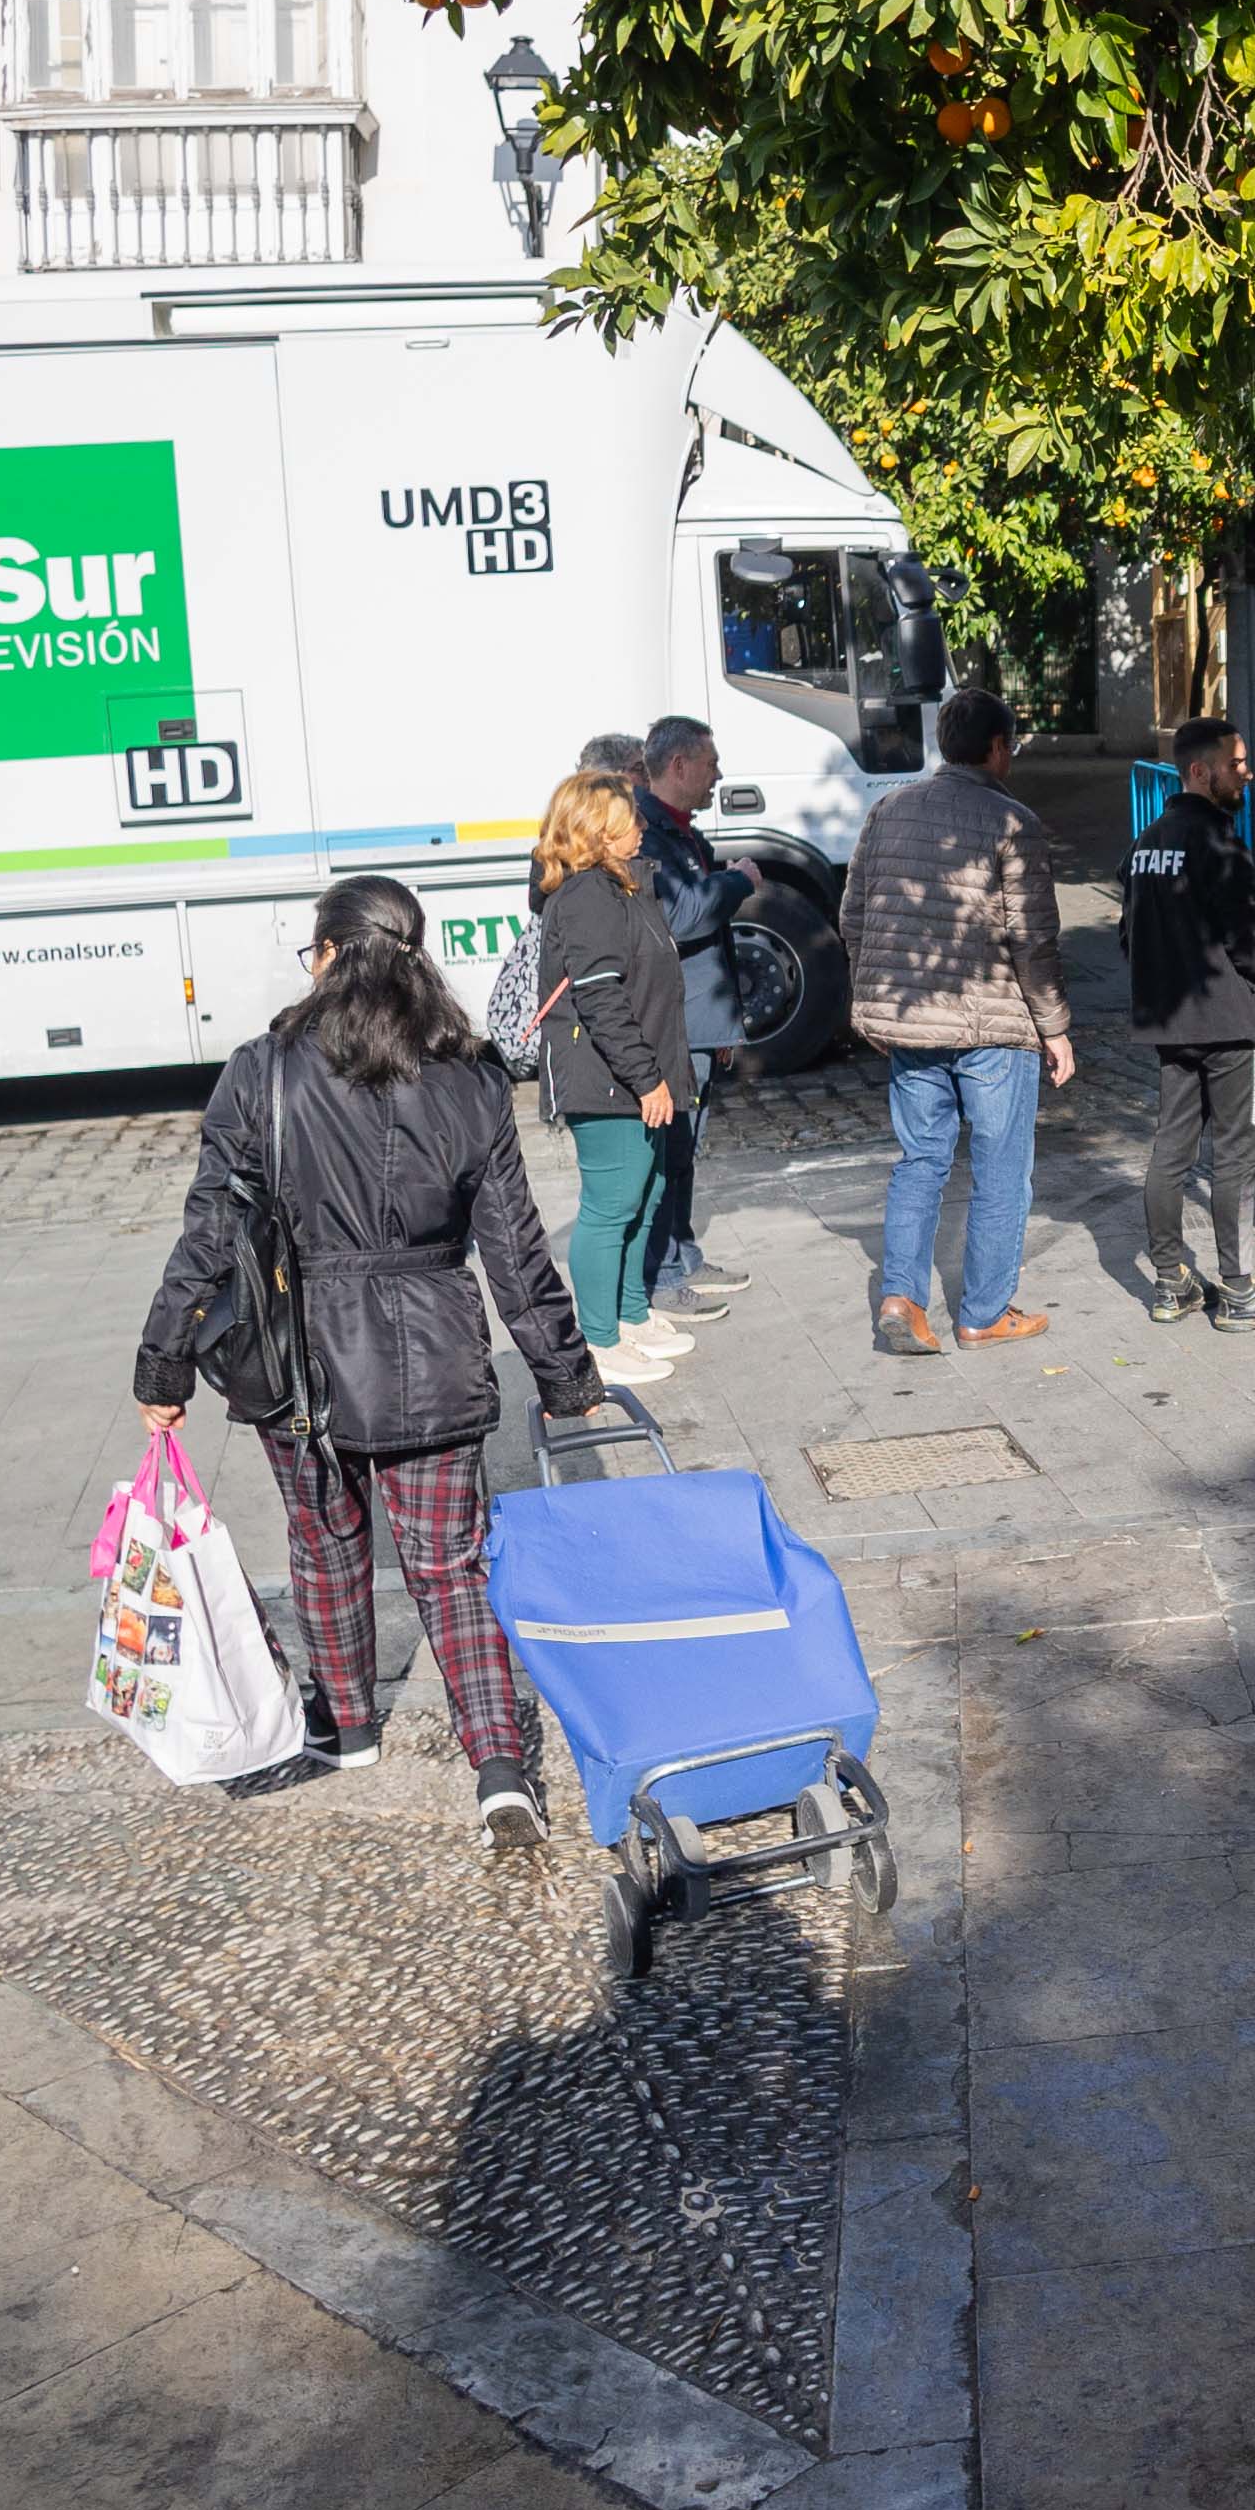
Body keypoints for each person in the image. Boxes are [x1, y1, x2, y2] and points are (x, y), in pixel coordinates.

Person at [137, 870, 607, 1846]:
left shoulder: (261, 1070)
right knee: (450, 1569)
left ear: (331, 956)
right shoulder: (471, 1074)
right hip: (434, 1351)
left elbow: (212, 1233)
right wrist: (563, 1371)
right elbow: (517, 1245)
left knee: (325, 1545)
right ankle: (500, 1770)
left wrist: (164, 1365)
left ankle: (346, 1723)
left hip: (297, 1362)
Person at [842, 682, 1073, 1357]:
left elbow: (851, 918)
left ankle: (903, 1299)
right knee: (1002, 1171)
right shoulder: (1012, 823)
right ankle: (982, 1314)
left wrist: (880, 998)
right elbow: (1033, 939)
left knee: (920, 1160)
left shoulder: (887, 810)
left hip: (911, 1024)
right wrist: (1054, 1028)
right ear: (998, 749)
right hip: (994, 1029)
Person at [1121, 712, 1255, 1331]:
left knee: (1170, 1151)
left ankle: (1170, 1281)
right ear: (1200, 772)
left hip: (1171, 1022)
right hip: (1232, 1023)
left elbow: (1129, 936)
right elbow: (1248, 936)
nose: (1248, 773)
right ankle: (1239, 1292)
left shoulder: (1146, 843)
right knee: (1237, 1157)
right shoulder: (1220, 843)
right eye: (1236, 764)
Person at [523, 772, 690, 1390]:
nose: (643, 827)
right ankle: (597, 1339)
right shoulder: (587, 895)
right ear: (597, 831)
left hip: (637, 1074)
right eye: (630, 820)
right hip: (608, 1078)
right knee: (611, 1206)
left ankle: (628, 1313)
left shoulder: (622, 884)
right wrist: (647, 1079)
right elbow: (601, 999)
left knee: (643, 1198)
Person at [623, 717, 756, 1323]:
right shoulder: (647, 835)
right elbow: (680, 918)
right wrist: (738, 882)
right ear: (679, 766)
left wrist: (723, 1028)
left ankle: (683, 1254)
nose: (718, 775)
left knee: (686, 1150)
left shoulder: (675, 830)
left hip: (698, 1022)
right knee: (670, 1151)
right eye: (710, 762)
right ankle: (664, 1275)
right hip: (673, 1025)